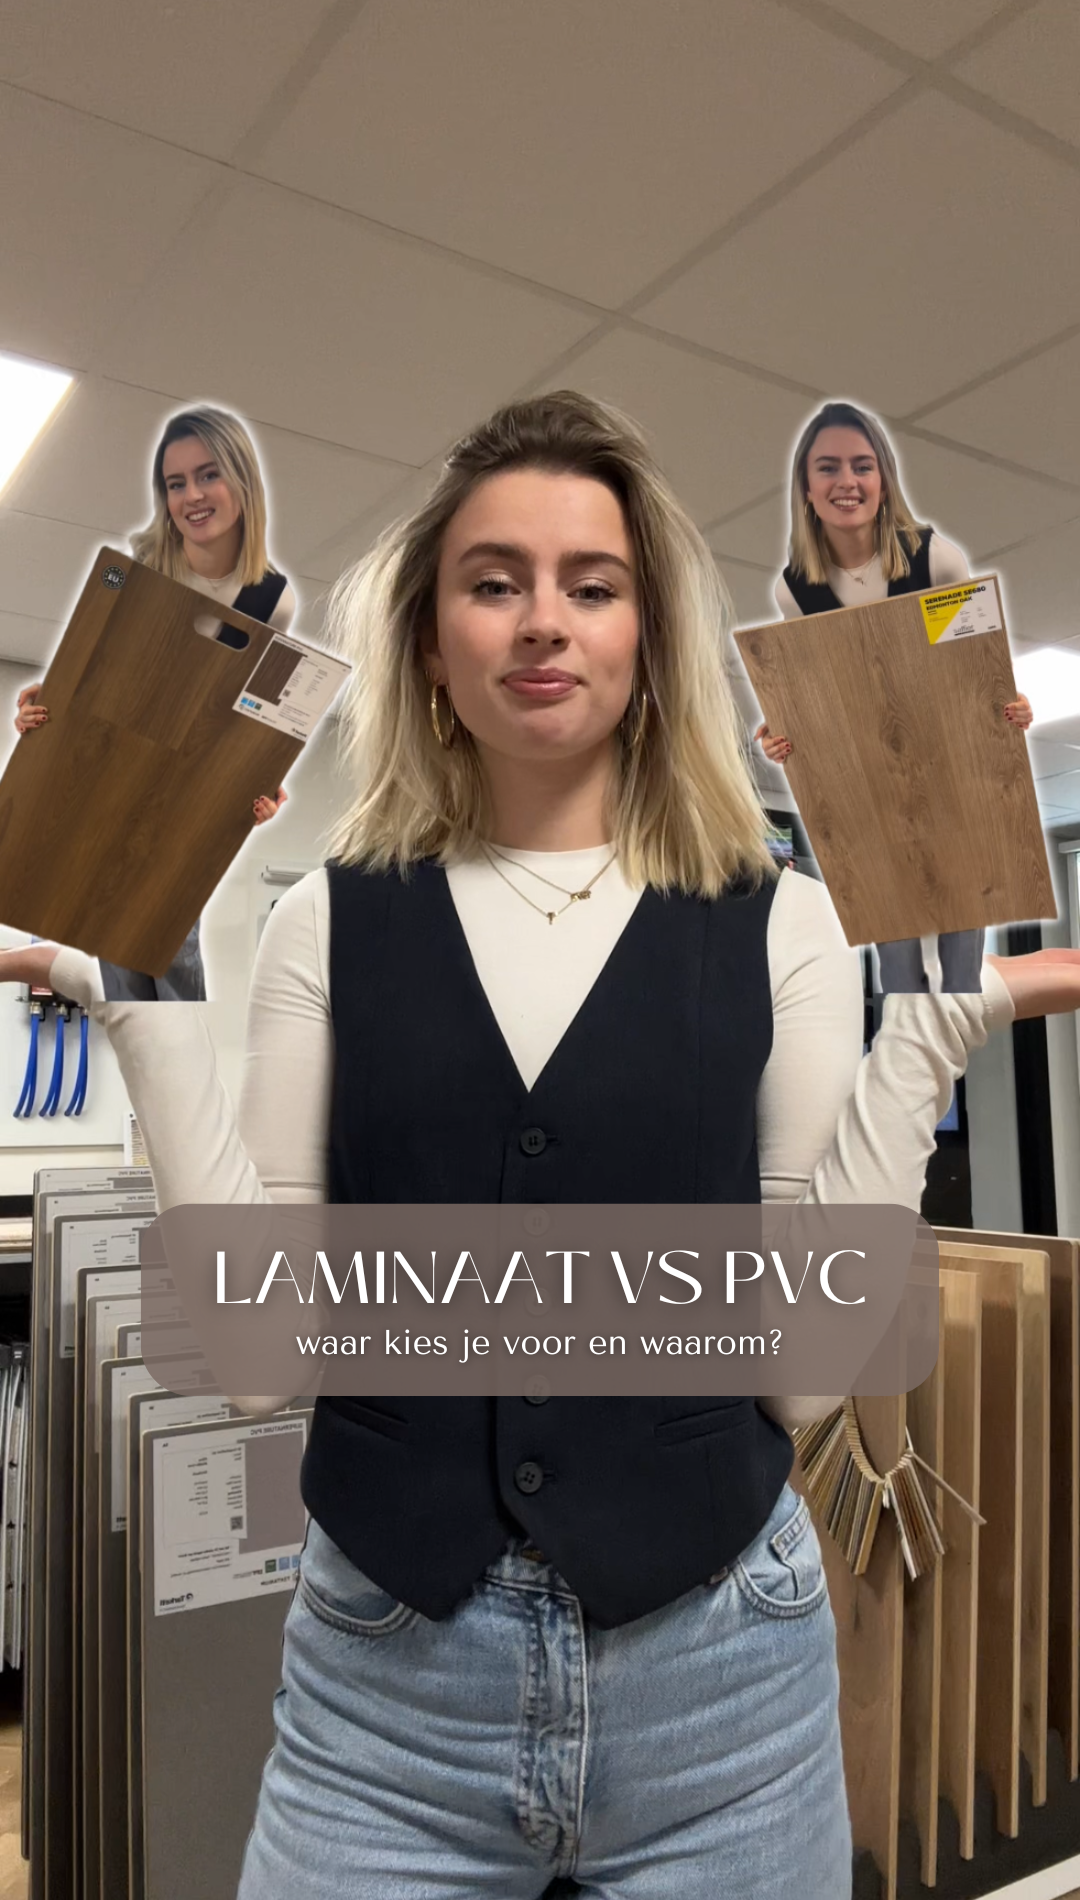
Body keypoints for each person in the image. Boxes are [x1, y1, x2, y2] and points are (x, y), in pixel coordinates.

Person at [14, 390, 1080, 1900]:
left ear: (647, 644)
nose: (542, 622)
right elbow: (260, 1358)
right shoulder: (330, 918)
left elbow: (799, 1371)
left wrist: (929, 1030)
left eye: (592, 586)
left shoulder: (780, 919)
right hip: (382, 1702)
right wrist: (145, 1002)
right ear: (431, 645)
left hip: (727, 1691)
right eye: (493, 581)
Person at [11, 404, 294, 999]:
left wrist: (264, 778)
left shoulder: (273, 597)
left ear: (242, 479)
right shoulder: (133, 566)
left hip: (182, 776)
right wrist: (50, 699)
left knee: (163, 929)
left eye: (208, 474)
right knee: (108, 924)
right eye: (175, 483)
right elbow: (92, 648)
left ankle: (168, 1070)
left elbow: (253, 716)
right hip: (111, 753)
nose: (192, 494)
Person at [755, 400, 1033, 995]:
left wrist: (1007, 710)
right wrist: (781, 731)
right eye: (827, 467)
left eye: (862, 465)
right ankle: (912, 1080)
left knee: (961, 972)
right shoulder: (795, 589)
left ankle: (953, 1053)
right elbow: (813, 697)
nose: (846, 482)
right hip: (871, 784)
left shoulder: (936, 559)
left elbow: (974, 671)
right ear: (806, 485)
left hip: (950, 771)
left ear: (884, 478)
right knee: (899, 974)